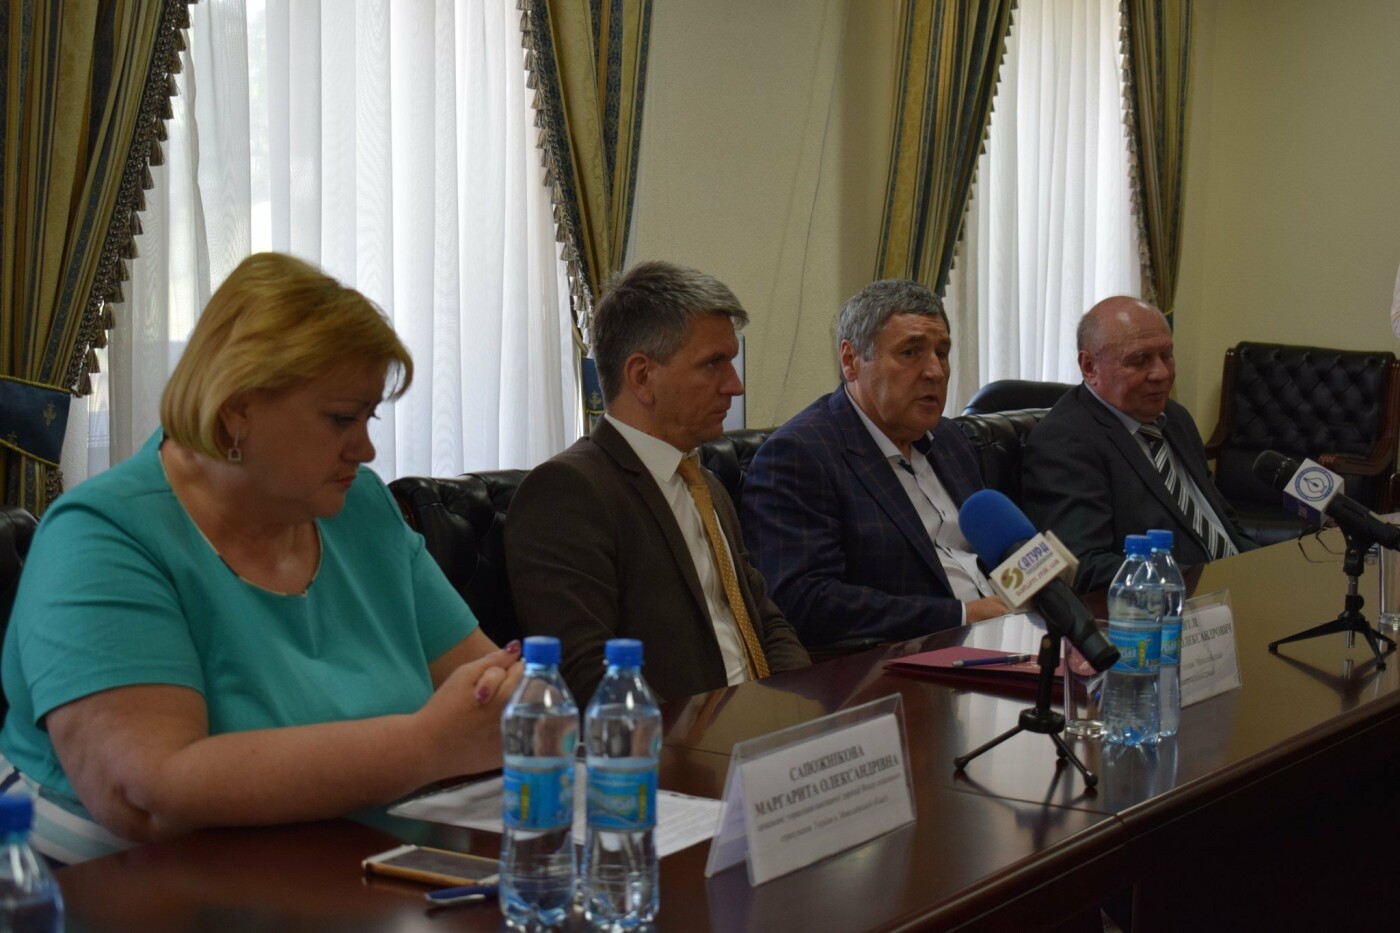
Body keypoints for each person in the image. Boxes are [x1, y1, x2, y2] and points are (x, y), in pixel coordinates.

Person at [0, 253, 523, 864]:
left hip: (345, 868)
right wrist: (427, 746)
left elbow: (493, 695)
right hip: (123, 887)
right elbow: (148, 793)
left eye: (369, 417)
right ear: (237, 408)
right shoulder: (100, 537)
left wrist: (512, 703)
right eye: (341, 419)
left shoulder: (360, 506)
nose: (366, 448)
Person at [505, 260, 810, 704]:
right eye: (714, 364)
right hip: (678, 737)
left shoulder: (706, 483)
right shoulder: (567, 492)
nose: (735, 386)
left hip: (760, 723)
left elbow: (766, 620)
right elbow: (586, 674)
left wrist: (796, 704)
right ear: (643, 377)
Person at [740, 280, 1009, 648]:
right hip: (910, 658)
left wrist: (1048, 590)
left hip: (1004, 634)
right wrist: (961, 615)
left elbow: (1000, 551)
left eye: (942, 353)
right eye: (911, 352)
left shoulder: (950, 439)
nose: (935, 371)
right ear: (850, 361)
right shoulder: (799, 455)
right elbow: (804, 601)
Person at [1022, 296, 1255, 593]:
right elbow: (1082, 564)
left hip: (1238, 588)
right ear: (1089, 366)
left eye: (1167, 355)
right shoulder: (1064, 441)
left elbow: (1222, 523)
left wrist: (1263, 564)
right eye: (1140, 360)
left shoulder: (1174, 417)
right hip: (1168, 605)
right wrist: (1192, 582)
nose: (1162, 373)